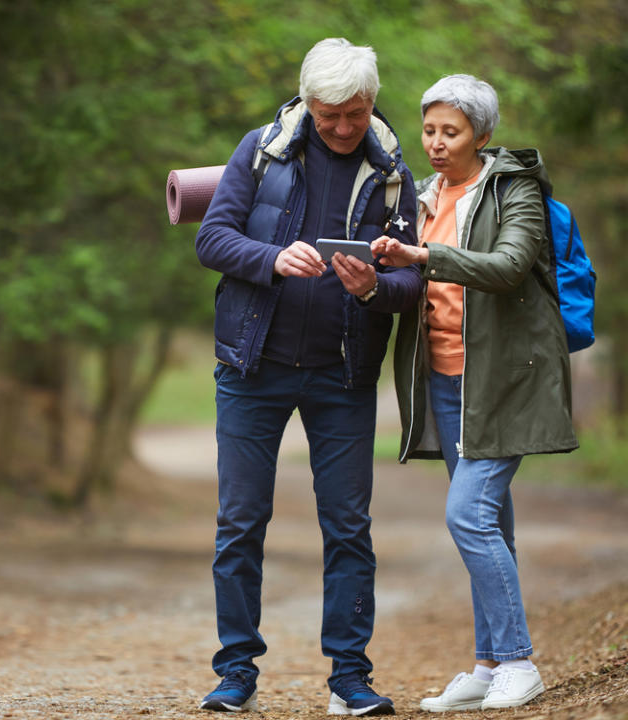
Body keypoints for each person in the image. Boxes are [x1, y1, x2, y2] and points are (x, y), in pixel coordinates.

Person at [194, 38, 422, 715]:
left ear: (371, 103)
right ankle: (236, 673)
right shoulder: (261, 150)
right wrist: (270, 258)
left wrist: (373, 289)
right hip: (251, 367)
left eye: (356, 113)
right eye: (331, 116)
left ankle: (350, 678)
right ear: (308, 103)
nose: (345, 128)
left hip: (342, 374)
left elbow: (414, 277)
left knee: (349, 528)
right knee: (240, 522)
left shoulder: (392, 171)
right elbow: (213, 237)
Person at [371, 74, 579, 712]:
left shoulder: (514, 189)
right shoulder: (423, 193)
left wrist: (423, 255)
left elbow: (511, 266)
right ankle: (488, 665)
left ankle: (519, 660)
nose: (434, 143)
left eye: (450, 132)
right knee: (490, 520)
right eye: (428, 129)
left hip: (506, 376)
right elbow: (413, 278)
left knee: (467, 515)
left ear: (481, 135)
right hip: (445, 376)